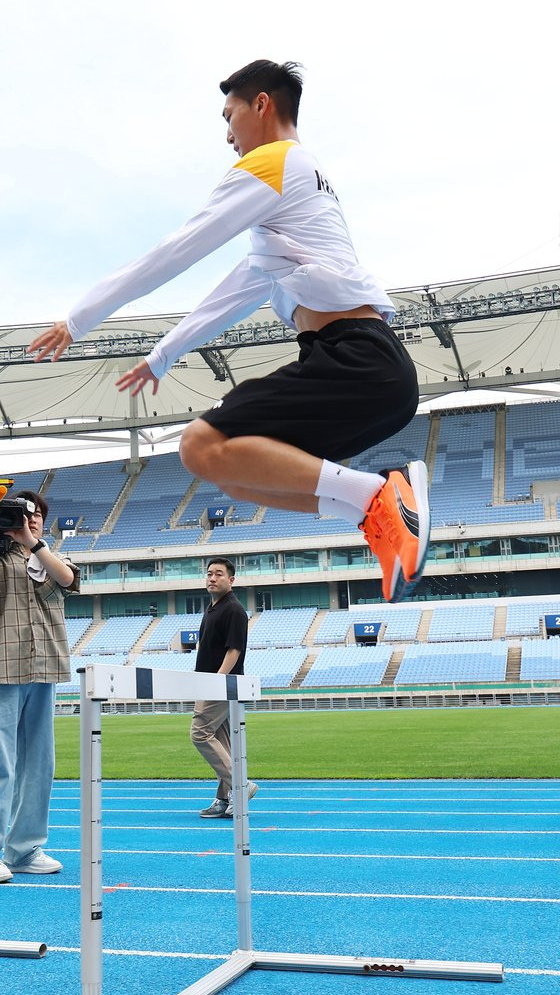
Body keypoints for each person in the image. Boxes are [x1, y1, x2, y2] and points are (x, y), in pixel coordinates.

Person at [28, 59, 430, 604]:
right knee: (237, 473)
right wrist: (163, 356)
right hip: (374, 372)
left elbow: (176, 250)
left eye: (230, 114)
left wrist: (77, 320)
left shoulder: (274, 163)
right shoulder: (291, 209)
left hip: (355, 359)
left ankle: (381, 494)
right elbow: (231, 296)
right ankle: (374, 513)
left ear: (260, 104)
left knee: (199, 444)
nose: (227, 134)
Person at [0, 490, 80, 883]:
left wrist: (33, 544)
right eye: (20, 514)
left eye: (36, 516)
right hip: (3, 668)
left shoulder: (50, 557)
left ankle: (24, 848)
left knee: (39, 765)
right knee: (2, 763)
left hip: (44, 666)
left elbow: (67, 579)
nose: (28, 520)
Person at [192, 558, 256, 819]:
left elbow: (234, 650)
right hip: (209, 682)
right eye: (209, 573)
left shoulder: (234, 610)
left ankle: (241, 784)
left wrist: (216, 681)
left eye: (219, 574)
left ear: (231, 580)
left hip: (221, 684)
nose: (212, 578)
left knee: (200, 733)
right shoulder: (211, 609)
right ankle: (223, 798)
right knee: (222, 742)